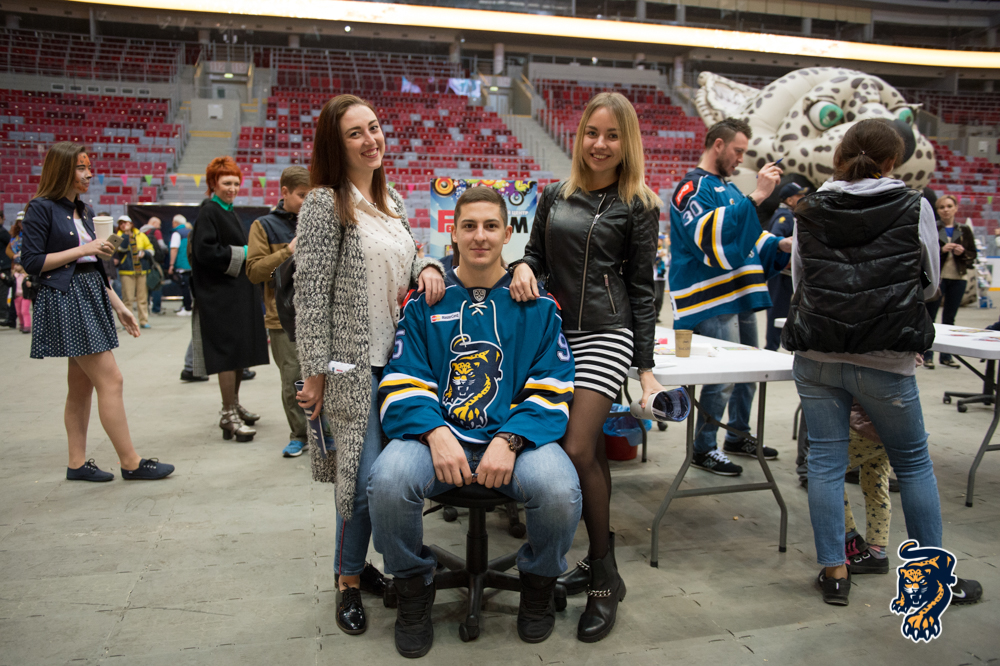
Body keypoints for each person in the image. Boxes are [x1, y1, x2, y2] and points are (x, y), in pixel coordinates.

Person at [369, 186, 581, 657]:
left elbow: (553, 384)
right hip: (435, 438)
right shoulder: (425, 301)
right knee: (387, 482)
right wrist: (435, 433)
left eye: (490, 226)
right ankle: (413, 589)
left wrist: (511, 439)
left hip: (516, 440)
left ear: (508, 233)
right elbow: (403, 379)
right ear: (453, 232)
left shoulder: (539, 305)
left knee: (559, 491)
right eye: (469, 226)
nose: (479, 236)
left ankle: (538, 585)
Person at [782, 118, 982, 607]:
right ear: (892, 160)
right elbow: (930, 282)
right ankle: (932, 582)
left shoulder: (811, 207)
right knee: (912, 463)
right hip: (885, 355)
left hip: (818, 352)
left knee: (825, 464)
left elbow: (799, 279)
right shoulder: (914, 205)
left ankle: (835, 573)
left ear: (841, 155)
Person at [509, 92, 661, 642]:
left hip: (606, 332)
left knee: (575, 448)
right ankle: (603, 566)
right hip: (555, 336)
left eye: (612, 135)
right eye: (592, 133)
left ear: (627, 142)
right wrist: (523, 267)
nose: (600, 144)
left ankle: (602, 575)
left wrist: (645, 369)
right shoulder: (555, 194)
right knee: (588, 451)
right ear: (579, 137)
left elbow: (642, 289)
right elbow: (536, 254)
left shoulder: (639, 204)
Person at [293, 94, 445, 637]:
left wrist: (428, 265)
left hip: (399, 367)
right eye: (355, 133)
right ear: (335, 146)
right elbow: (310, 297)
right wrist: (314, 375)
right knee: (358, 484)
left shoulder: (391, 200)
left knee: (385, 481)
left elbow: (408, 256)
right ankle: (348, 582)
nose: (370, 140)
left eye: (374, 128)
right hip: (348, 368)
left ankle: (371, 567)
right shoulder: (323, 204)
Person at [19, 141, 173, 481]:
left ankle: (76, 464)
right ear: (62, 170)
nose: (89, 174)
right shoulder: (41, 208)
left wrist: (119, 305)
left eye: (89, 167)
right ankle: (131, 462)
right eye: (81, 167)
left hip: (90, 294)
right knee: (111, 379)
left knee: (81, 386)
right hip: (67, 298)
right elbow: (31, 262)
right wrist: (83, 248)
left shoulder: (85, 210)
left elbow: (92, 267)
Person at [667, 118, 791, 476]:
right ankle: (704, 447)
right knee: (721, 379)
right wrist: (758, 196)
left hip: (741, 295)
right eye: (737, 151)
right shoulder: (691, 187)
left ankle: (737, 434)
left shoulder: (731, 189)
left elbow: (750, 238)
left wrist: (781, 245)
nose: (740, 158)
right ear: (718, 145)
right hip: (711, 300)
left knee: (749, 373)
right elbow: (709, 237)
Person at [189, 156, 269, 441]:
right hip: (219, 298)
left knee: (237, 355)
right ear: (213, 184)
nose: (232, 188)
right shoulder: (210, 211)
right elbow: (204, 252)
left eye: (236, 183)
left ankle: (233, 405)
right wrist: (244, 252)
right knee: (226, 355)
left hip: (235, 295)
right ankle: (227, 413)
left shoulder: (227, 210)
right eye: (226, 183)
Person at [246, 166, 315, 458]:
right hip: (283, 318)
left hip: (322, 316)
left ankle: (326, 433)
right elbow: (254, 271)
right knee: (294, 379)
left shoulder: (323, 221)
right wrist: (288, 251)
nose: (308, 202)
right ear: (284, 192)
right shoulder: (263, 226)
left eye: (312, 196)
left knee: (328, 376)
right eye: (302, 196)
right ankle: (299, 435)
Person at [924, 194, 977, 369]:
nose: (946, 210)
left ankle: (946, 356)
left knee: (950, 318)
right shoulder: (932, 227)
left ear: (955, 208)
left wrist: (963, 252)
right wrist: (941, 250)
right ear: (937, 210)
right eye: (942, 207)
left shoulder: (964, 229)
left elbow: (973, 254)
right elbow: (925, 253)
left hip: (958, 278)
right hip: (937, 278)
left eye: (949, 206)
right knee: (930, 318)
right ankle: (928, 355)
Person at [764, 182, 809, 351]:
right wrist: (788, 259)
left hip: (786, 273)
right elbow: (776, 238)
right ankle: (771, 348)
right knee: (778, 311)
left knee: (783, 311)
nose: (803, 198)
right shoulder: (785, 216)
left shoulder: (789, 214)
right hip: (782, 273)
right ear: (789, 200)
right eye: (799, 196)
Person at [113, 215, 154, 329]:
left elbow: (151, 249)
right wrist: (126, 234)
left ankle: (143, 320)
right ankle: (128, 322)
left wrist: (145, 253)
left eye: (126, 223)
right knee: (128, 298)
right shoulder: (117, 236)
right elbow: (121, 248)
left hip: (141, 270)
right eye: (121, 223)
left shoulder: (141, 235)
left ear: (131, 224)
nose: (123, 225)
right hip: (126, 271)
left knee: (142, 297)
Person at [140, 217, 167, 315]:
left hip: (143, 261)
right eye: (159, 224)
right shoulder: (156, 232)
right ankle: (156, 308)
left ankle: (145, 308)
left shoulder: (141, 232)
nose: (159, 226)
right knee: (157, 284)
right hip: (155, 262)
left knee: (144, 286)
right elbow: (162, 245)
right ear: (154, 223)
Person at [168, 214, 193, 315]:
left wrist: (171, 265)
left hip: (183, 265)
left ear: (175, 223)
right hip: (192, 264)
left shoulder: (177, 233)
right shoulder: (191, 231)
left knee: (184, 286)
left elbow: (174, 249)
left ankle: (187, 308)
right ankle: (188, 306)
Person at [12, 263, 36, 333]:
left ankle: (27, 326)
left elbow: (35, 283)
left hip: (25, 295)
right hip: (17, 295)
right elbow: (9, 283)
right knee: (18, 312)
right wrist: (4, 278)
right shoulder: (14, 276)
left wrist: (30, 284)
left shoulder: (27, 276)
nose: (15, 266)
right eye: (15, 265)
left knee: (24, 311)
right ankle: (22, 324)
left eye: (18, 265)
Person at [653, 235, 669, 322]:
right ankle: (652, 315)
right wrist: (659, 256)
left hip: (662, 277)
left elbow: (667, 262)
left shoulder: (663, 250)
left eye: (662, 240)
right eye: (660, 240)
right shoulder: (653, 250)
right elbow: (652, 261)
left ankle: (657, 315)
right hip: (655, 277)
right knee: (656, 297)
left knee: (661, 298)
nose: (661, 242)